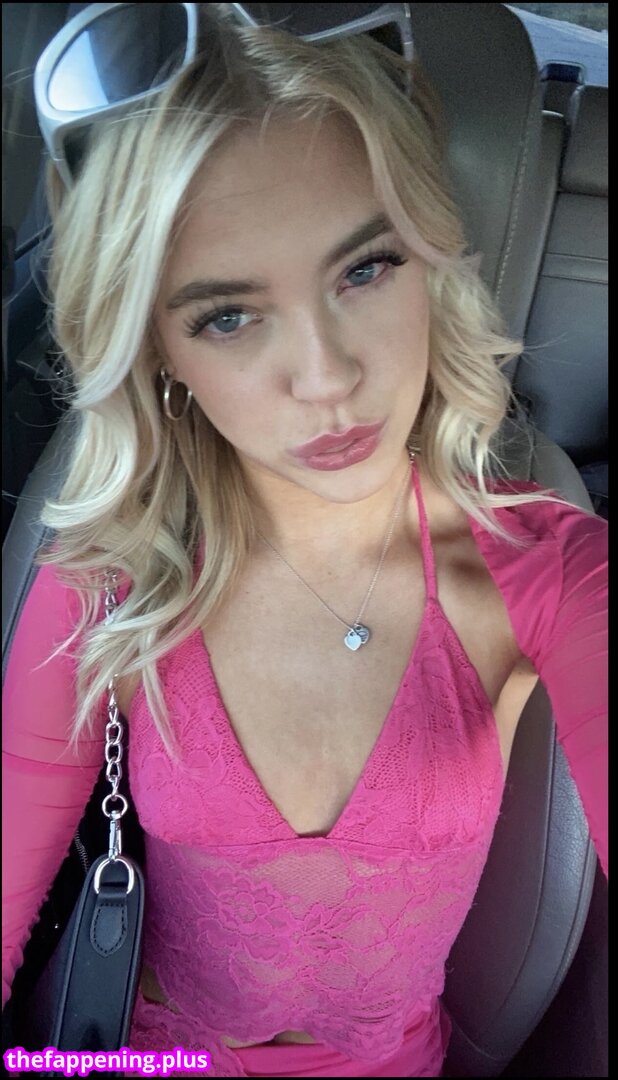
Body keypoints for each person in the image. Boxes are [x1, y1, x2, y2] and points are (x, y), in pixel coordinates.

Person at [2, 4, 607, 1077]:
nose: (327, 379)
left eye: (365, 268)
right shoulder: (109, 579)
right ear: (159, 350)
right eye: (228, 317)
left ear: (430, 255)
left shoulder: (546, 566)